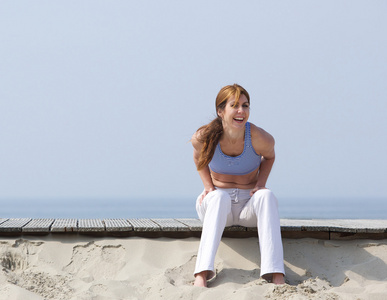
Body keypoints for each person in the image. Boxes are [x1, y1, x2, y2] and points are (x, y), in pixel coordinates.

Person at [191, 84, 285, 287]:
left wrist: (260, 184)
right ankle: (202, 274)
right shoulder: (205, 137)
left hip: (246, 206)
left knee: (267, 195)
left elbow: (269, 157)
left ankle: (276, 274)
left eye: (245, 105)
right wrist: (208, 186)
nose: (241, 111)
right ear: (220, 111)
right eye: (234, 105)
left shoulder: (259, 138)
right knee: (218, 197)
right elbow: (198, 157)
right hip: (217, 206)